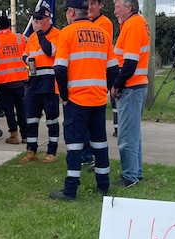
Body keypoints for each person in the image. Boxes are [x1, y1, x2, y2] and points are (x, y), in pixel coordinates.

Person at [50, 0, 118, 201]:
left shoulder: (67, 33)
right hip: (97, 99)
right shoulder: (103, 34)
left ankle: (70, 190)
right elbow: (113, 69)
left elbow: (60, 69)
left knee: (74, 145)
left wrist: (64, 96)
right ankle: (103, 186)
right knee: (99, 143)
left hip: (76, 100)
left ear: (71, 12)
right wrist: (104, 90)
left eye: (66, 12)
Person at [110, 0, 149, 187]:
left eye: (117, 6)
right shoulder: (136, 23)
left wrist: (117, 84)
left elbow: (130, 63)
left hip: (131, 87)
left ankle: (130, 176)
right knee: (133, 134)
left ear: (128, 7)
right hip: (136, 86)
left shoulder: (133, 24)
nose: (115, 10)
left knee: (126, 135)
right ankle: (136, 172)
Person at [19, 5, 60, 164]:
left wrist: (40, 33)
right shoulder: (33, 37)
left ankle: (52, 151)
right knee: (31, 119)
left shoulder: (57, 34)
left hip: (49, 84)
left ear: (47, 19)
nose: (35, 21)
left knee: (52, 121)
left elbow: (50, 51)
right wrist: (27, 61)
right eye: (34, 18)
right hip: (33, 84)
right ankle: (31, 150)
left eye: (38, 19)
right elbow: (25, 54)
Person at [0, 14, 27, 145]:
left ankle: (14, 135)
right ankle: (25, 135)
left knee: (9, 110)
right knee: (21, 108)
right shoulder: (19, 38)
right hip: (19, 79)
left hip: (3, 81)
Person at [88, 0, 116, 137]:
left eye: (93, 3)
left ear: (100, 5)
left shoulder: (105, 23)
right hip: (83, 76)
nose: (89, 7)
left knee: (95, 122)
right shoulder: (84, 22)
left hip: (98, 76)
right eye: (87, 3)